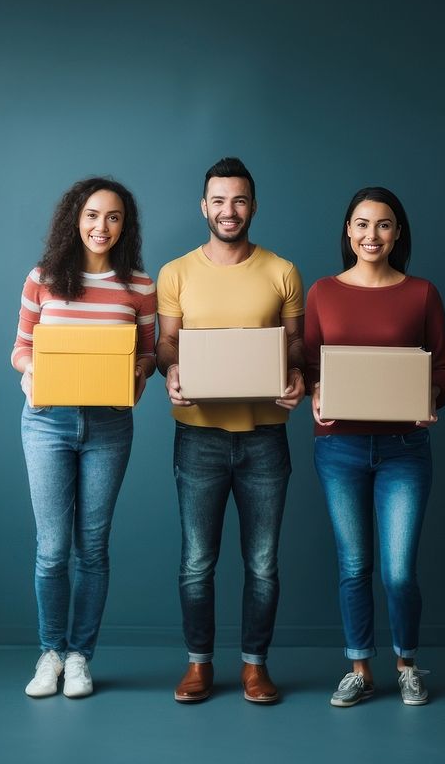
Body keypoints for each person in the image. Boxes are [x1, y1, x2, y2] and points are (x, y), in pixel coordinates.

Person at [155, 157, 306, 704]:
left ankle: (254, 665)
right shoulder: (175, 273)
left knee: (262, 563)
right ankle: (198, 665)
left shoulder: (282, 270)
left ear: (253, 207)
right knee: (197, 561)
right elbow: (166, 343)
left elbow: (296, 344)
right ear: (204, 206)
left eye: (239, 200)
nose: (229, 211)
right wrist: (170, 368)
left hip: (266, 434)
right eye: (219, 200)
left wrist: (295, 374)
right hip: (199, 435)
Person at [304, 186, 445, 709]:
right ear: (348, 231)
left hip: (405, 448)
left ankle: (407, 664)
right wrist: (315, 391)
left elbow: (442, 366)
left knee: (399, 570)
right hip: (339, 447)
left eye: (384, 225)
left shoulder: (422, 293)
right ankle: (360, 669)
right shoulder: (322, 291)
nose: (373, 235)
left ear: (398, 234)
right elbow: (308, 366)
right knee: (353, 565)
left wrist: (431, 395)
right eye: (363, 224)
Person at [11, 177, 156, 699]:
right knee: (52, 550)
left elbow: (148, 353)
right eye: (93, 215)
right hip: (48, 421)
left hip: (109, 425)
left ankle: (80, 657)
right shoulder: (44, 277)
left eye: (114, 217)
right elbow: (20, 349)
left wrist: (138, 376)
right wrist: (34, 377)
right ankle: (50, 652)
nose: (102, 226)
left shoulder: (139, 285)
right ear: (76, 218)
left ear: (125, 226)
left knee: (92, 547)